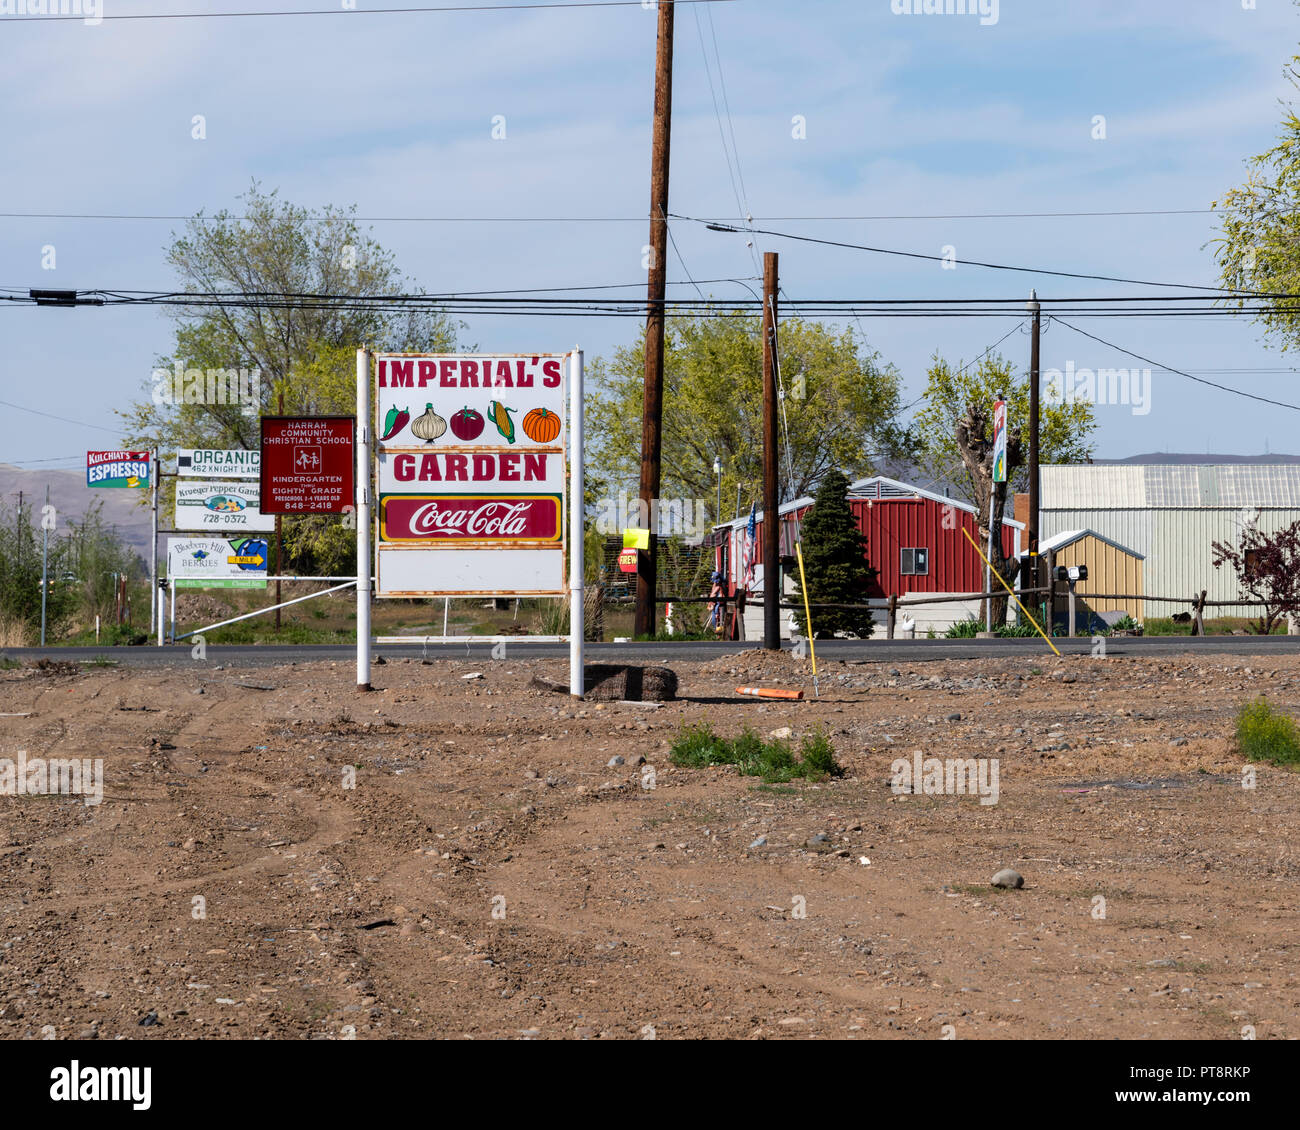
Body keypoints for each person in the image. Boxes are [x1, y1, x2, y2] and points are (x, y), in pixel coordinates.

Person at [707, 571, 725, 635]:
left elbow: (713, 595)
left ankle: (718, 629)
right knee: (715, 617)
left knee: (717, 616)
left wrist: (710, 604)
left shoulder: (718, 586)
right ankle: (717, 629)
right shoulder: (715, 585)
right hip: (716, 603)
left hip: (718, 604)